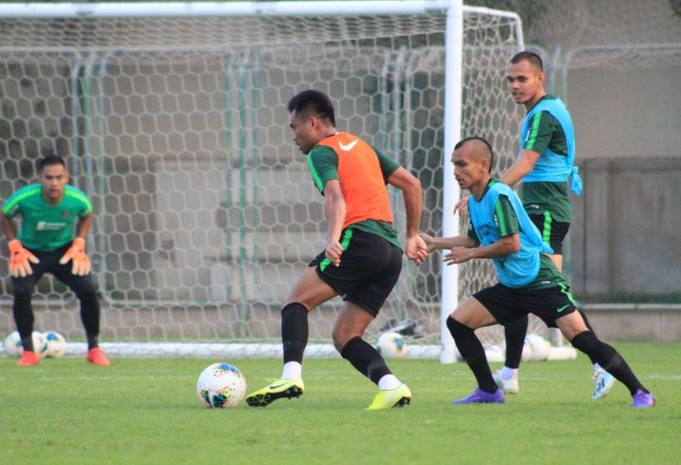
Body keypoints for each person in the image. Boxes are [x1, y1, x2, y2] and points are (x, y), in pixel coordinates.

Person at [422, 137, 655, 408]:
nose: (455, 171)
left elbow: (511, 243)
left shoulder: (499, 195)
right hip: (512, 286)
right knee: (458, 323)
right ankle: (488, 390)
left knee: (581, 338)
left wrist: (470, 255)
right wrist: (435, 243)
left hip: (539, 280)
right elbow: (473, 240)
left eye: (462, 164)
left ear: (483, 165)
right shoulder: (475, 200)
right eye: (454, 165)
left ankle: (641, 393)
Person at [245, 89, 427, 410]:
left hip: (359, 240)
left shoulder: (322, 152)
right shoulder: (362, 147)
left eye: (294, 127)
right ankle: (392, 387)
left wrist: (333, 237)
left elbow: (335, 196)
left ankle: (291, 375)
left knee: (295, 302)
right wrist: (412, 235)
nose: (293, 135)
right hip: (390, 251)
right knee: (345, 335)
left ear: (313, 123)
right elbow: (411, 184)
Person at [457, 51, 613, 399]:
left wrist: (487, 191)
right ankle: (511, 373)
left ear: (540, 78)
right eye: (510, 79)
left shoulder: (543, 115)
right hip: (540, 208)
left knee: (549, 293)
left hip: (544, 210)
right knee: (522, 290)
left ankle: (600, 364)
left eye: (522, 79)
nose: (514, 85)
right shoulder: (543, 110)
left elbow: (526, 164)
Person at [0, 154, 110, 367]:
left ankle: (94, 349)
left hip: (64, 252)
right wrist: (14, 244)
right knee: (22, 292)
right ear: (40, 178)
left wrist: (79, 241)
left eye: (59, 177)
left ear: (66, 178)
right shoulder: (24, 198)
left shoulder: (77, 200)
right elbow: (5, 215)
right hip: (30, 252)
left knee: (88, 290)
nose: (54, 183)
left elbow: (87, 214)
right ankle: (28, 351)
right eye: (49, 178)